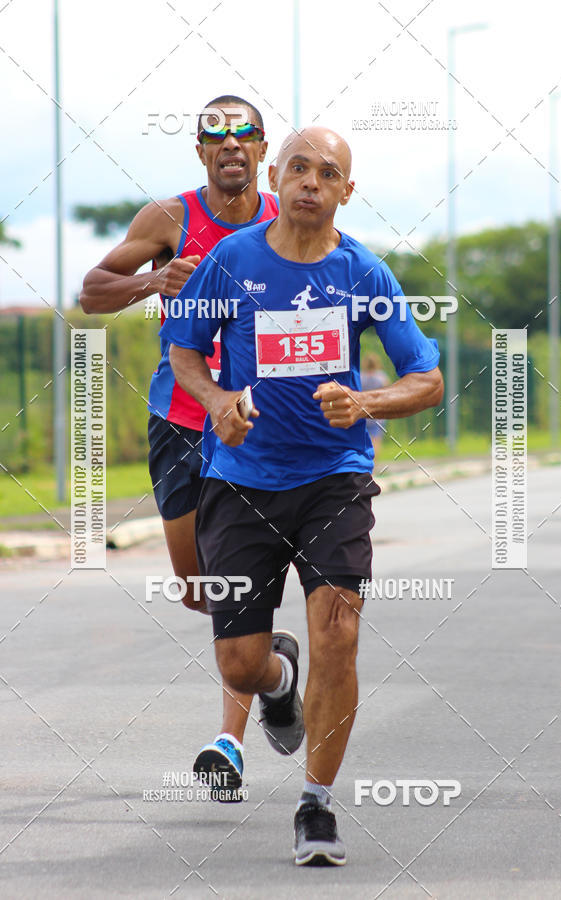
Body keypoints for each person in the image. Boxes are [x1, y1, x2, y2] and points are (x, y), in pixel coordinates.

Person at [162, 125, 444, 863]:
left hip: (334, 480)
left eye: (328, 172)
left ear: (347, 190)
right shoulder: (232, 259)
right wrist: (218, 396)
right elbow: (184, 349)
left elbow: (427, 377)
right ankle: (277, 682)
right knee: (239, 666)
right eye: (298, 168)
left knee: (339, 632)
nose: (310, 181)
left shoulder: (365, 274)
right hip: (242, 482)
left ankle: (316, 806)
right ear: (276, 177)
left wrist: (369, 404)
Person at [79, 95, 293, 800]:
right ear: (200, 151)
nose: (231, 144)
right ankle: (274, 670)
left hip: (252, 423)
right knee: (197, 588)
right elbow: (92, 291)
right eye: (215, 135)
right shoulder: (169, 220)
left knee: (234, 579)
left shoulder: (287, 218)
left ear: (263, 148)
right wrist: (152, 282)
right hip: (178, 418)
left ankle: (228, 742)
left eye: (244, 133)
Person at [360, 353, 390, 461]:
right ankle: (374, 465)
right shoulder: (381, 377)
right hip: (378, 413)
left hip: (362, 413)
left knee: (362, 441)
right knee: (376, 441)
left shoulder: (360, 377)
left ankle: (363, 464)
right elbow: (387, 392)